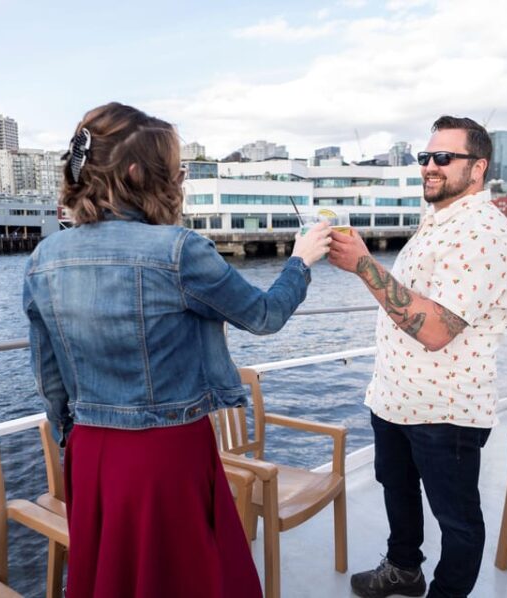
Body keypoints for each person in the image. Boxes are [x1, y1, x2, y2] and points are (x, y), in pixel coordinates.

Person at [22, 102, 331, 598]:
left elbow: (48, 374)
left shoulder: (44, 258)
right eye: (175, 170)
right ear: (137, 172)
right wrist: (301, 260)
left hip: (90, 451)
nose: (179, 180)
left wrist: (70, 438)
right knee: (185, 575)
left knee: (115, 577)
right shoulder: (178, 250)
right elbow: (264, 316)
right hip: (165, 451)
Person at [328, 115, 507, 598]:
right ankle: (404, 569)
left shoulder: (484, 232)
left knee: (457, 521)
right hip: (396, 399)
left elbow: (435, 330)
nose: (430, 167)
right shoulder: (438, 221)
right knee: (397, 489)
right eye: (425, 157)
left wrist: (364, 265)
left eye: (443, 158)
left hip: (446, 409)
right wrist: (366, 262)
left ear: (477, 169)